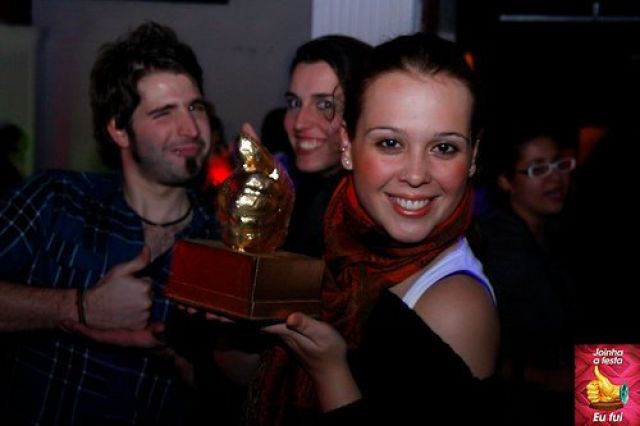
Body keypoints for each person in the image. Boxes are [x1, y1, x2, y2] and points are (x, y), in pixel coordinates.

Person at [249, 32, 499, 425]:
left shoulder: (456, 306)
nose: (415, 174)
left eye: (444, 148)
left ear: (473, 157)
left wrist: (329, 369)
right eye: (390, 143)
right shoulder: (337, 242)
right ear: (347, 145)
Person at [0, 22, 217, 425]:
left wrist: (179, 357)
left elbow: (246, 393)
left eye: (195, 107)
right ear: (119, 129)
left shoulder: (224, 241)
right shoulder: (56, 200)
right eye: (164, 112)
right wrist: (80, 306)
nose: (190, 129)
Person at [475, 121, 576, 424]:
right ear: (506, 181)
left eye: (559, 163)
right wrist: (544, 377)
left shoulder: (555, 230)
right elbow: (476, 351)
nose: (555, 177)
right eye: (537, 168)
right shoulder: (502, 247)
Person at [280, 35, 372, 257]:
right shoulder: (308, 197)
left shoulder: (367, 215)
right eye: (294, 103)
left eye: (325, 105)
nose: (300, 123)